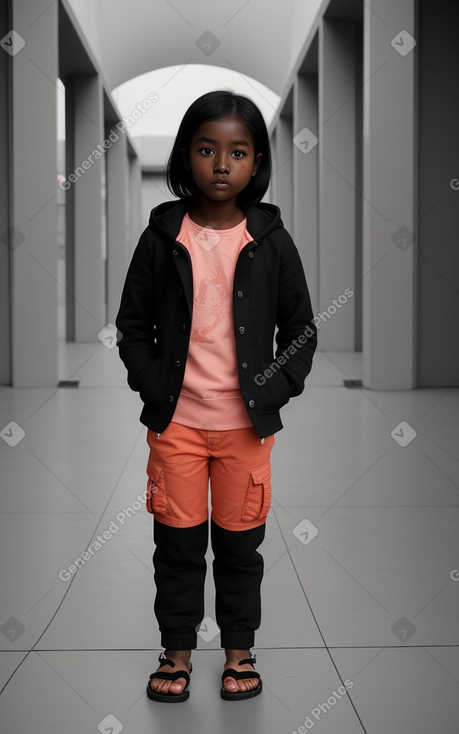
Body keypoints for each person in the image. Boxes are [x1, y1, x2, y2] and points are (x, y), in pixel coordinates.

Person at [115, 89, 317, 702]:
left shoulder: (271, 240)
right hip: (175, 425)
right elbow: (132, 326)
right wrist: (151, 383)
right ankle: (176, 653)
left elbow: (300, 330)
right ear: (186, 156)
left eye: (237, 152)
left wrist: (275, 388)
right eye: (207, 150)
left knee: (238, 548)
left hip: (245, 431)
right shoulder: (162, 236)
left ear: (256, 163)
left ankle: (239, 651)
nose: (221, 164)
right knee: (175, 545)